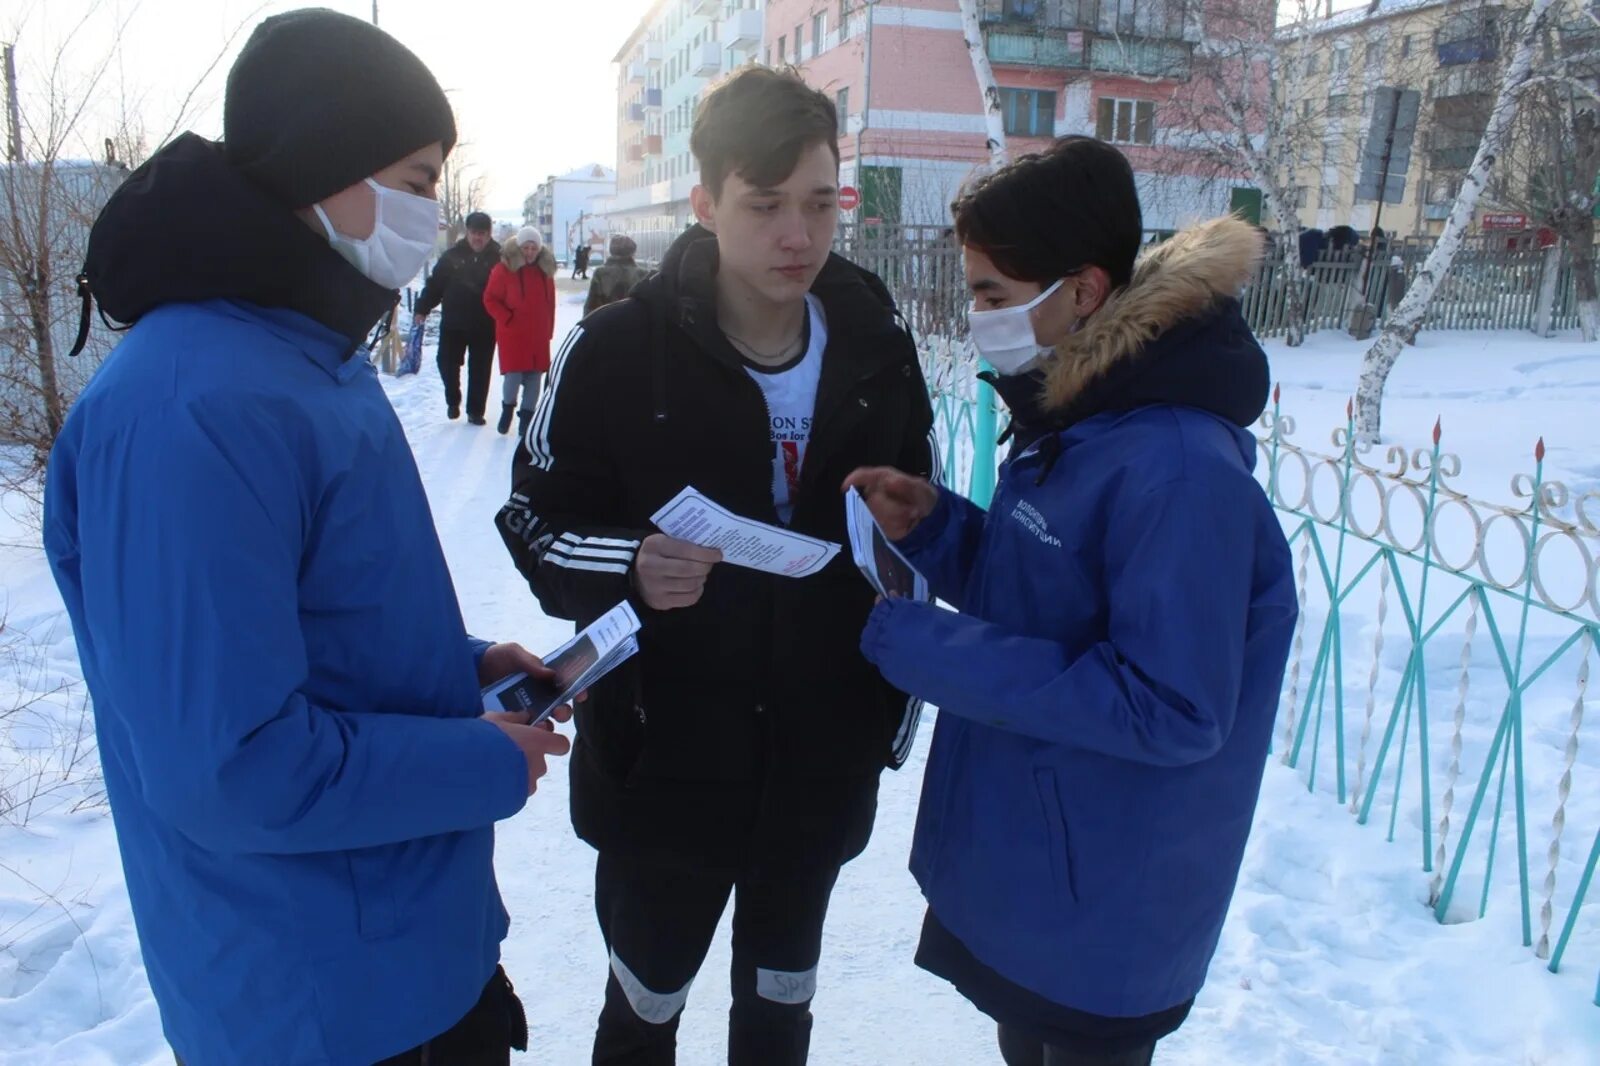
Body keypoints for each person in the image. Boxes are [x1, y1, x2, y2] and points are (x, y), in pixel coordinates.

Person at [42, 10, 572, 1065]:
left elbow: (320, 623)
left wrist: (462, 671)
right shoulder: (193, 405)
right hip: (317, 1004)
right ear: (320, 164)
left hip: (405, 957)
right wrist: (480, 765)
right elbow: (230, 765)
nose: (433, 211)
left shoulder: (298, 356)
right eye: (417, 181)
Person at [495, 67, 934, 1065]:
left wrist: (883, 722)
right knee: (644, 1010)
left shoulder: (877, 347)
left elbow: (916, 541)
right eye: (765, 205)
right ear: (704, 204)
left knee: (779, 1016)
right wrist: (631, 564)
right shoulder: (616, 352)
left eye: (821, 203)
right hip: (663, 776)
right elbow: (532, 516)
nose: (798, 236)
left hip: (818, 773)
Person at [845, 137, 1298, 1066]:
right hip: (1049, 870)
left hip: (1111, 894)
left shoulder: (1175, 469)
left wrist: (928, 650)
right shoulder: (1085, 415)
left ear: (1084, 292)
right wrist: (938, 530)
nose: (974, 318)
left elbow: (1171, 707)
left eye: (991, 297)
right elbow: (1055, 602)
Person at [415, 209, 500, 422]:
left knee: (480, 370)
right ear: (467, 233)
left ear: (489, 234)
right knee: (446, 362)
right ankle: (453, 399)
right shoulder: (452, 256)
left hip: (485, 324)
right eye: (474, 232)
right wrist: (422, 308)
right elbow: (435, 285)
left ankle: (475, 412)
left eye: (483, 233)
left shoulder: (499, 257)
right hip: (454, 322)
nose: (478, 237)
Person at [483, 225, 557, 437]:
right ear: (519, 247)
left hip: (538, 333)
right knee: (513, 376)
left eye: (534, 247)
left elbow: (550, 303)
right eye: (526, 247)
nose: (530, 252)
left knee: (535, 377)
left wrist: (549, 329)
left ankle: (527, 418)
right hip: (513, 333)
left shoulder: (546, 271)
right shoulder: (504, 270)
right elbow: (490, 299)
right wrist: (507, 317)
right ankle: (508, 409)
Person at [583, 233, 649, 317]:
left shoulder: (601, 273)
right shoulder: (642, 274)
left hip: (605, 324)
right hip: (635, 326)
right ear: (632, 252)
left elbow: (591, 307)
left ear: (611, 251)